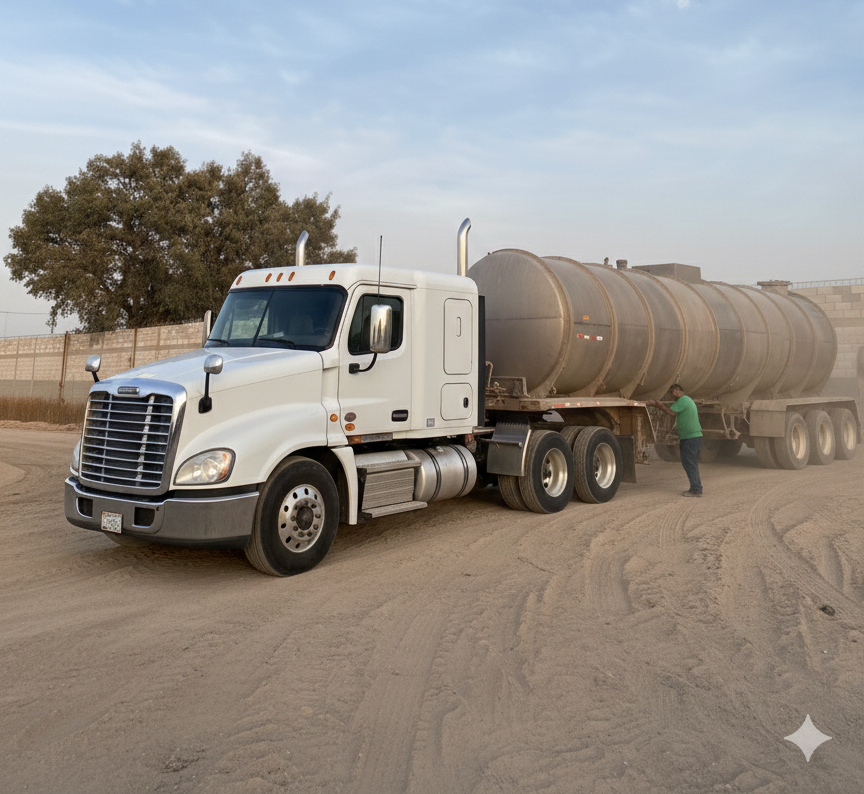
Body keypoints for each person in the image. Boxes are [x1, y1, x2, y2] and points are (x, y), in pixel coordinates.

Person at [648, 384, 704, 497]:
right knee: (688, 462)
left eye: (673, 392)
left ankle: (696, 490)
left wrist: (659, 405)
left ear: (679, 391)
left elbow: (671, 412)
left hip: (691, 437)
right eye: (671, 392)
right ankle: (695, 488)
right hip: (690, 437)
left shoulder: (683, 400)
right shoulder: (686, 400)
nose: (672, 395)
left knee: (690, 463)